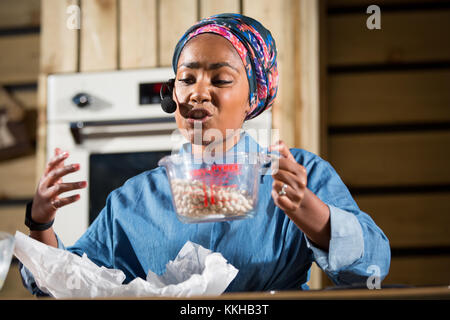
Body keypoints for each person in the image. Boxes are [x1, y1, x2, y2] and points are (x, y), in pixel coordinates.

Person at [20, 13, 390, 296]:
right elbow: (59, 286)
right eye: (187, 78)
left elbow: (372, 269)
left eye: (220, 79)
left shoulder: (298, 173)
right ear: (173, 93)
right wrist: (40, 223)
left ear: (252, 98)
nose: (198, 92)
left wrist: (310, 212)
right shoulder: (133, 200)